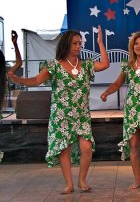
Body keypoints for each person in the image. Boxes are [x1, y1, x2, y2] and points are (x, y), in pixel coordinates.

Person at [8, 26, 110, 194]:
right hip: (61, 115)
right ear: (66, 45)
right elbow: (35, 81)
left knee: (86, 147)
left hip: (81, 115)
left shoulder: (86, 65)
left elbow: (105, 64)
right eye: (74, 43)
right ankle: (69, 184)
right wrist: (18, 79)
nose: (78, 46)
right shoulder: (54, 66)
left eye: (80, 43)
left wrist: (100, 42)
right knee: (64, 149)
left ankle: (82, 180)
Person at [100, 10, 140, 189]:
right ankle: (137, 179)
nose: (138, 46)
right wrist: (106, 93)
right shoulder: (128, 66)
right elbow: (118, 83)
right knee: (134, 145)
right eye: (136, 43)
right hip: (132, 109)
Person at [1, 30, 22, 119]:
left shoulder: (4, 76)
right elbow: (19, 63)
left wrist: (15, 44)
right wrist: (15, 44)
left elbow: (18, 63)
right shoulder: (4, 76)